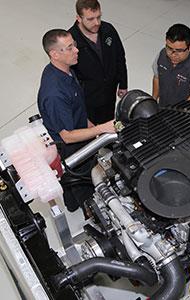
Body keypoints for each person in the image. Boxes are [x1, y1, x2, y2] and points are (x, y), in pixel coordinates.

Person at [37, 29, 115, 212]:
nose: (76, 50)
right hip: (70, 148)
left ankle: (73, 203)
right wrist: (102, 129)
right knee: (84, 187)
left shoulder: (65, 71)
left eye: (74, 44)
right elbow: (68, 137)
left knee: (77, 185)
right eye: (69, 47)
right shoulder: (54, 92)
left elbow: (76, 108)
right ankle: (90, 213)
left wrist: (91, 126)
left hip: (80, 134)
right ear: (54, 54)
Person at [69, 0, 128, 124]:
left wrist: (123, 83)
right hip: (88, 99)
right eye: (90, 19)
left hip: (109, 92)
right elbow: (69, 75)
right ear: (78, 18)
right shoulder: (71, 40)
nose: (97, 23)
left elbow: (119, 56)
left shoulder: (108, 30)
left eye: (99, 17)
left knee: (109, 124)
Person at [152, 23, 190, 107]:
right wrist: (153, 100)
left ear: (189, 47)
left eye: (179, 51)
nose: (173, 54)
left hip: (184, 113)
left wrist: (181, 113)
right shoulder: (162, 54)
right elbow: (157, 77)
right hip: (163, 107)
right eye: (169, 48)